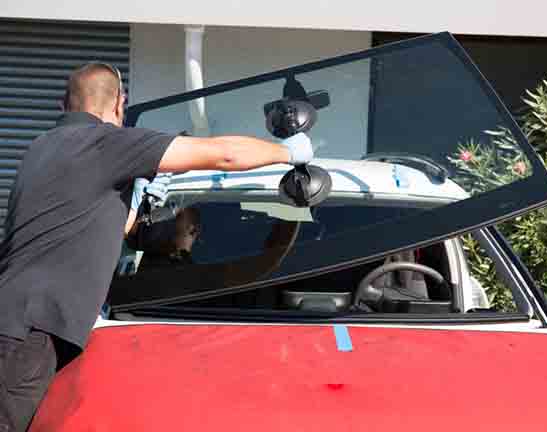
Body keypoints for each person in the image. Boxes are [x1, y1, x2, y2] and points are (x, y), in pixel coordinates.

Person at [0, 62, 313, 431]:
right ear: (120, 105)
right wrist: (288, 153)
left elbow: (80, 230)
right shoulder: (106, 144)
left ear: (61, 105)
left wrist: (132, 208)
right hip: (28, 336)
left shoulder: (40, 148)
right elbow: (224, 155)